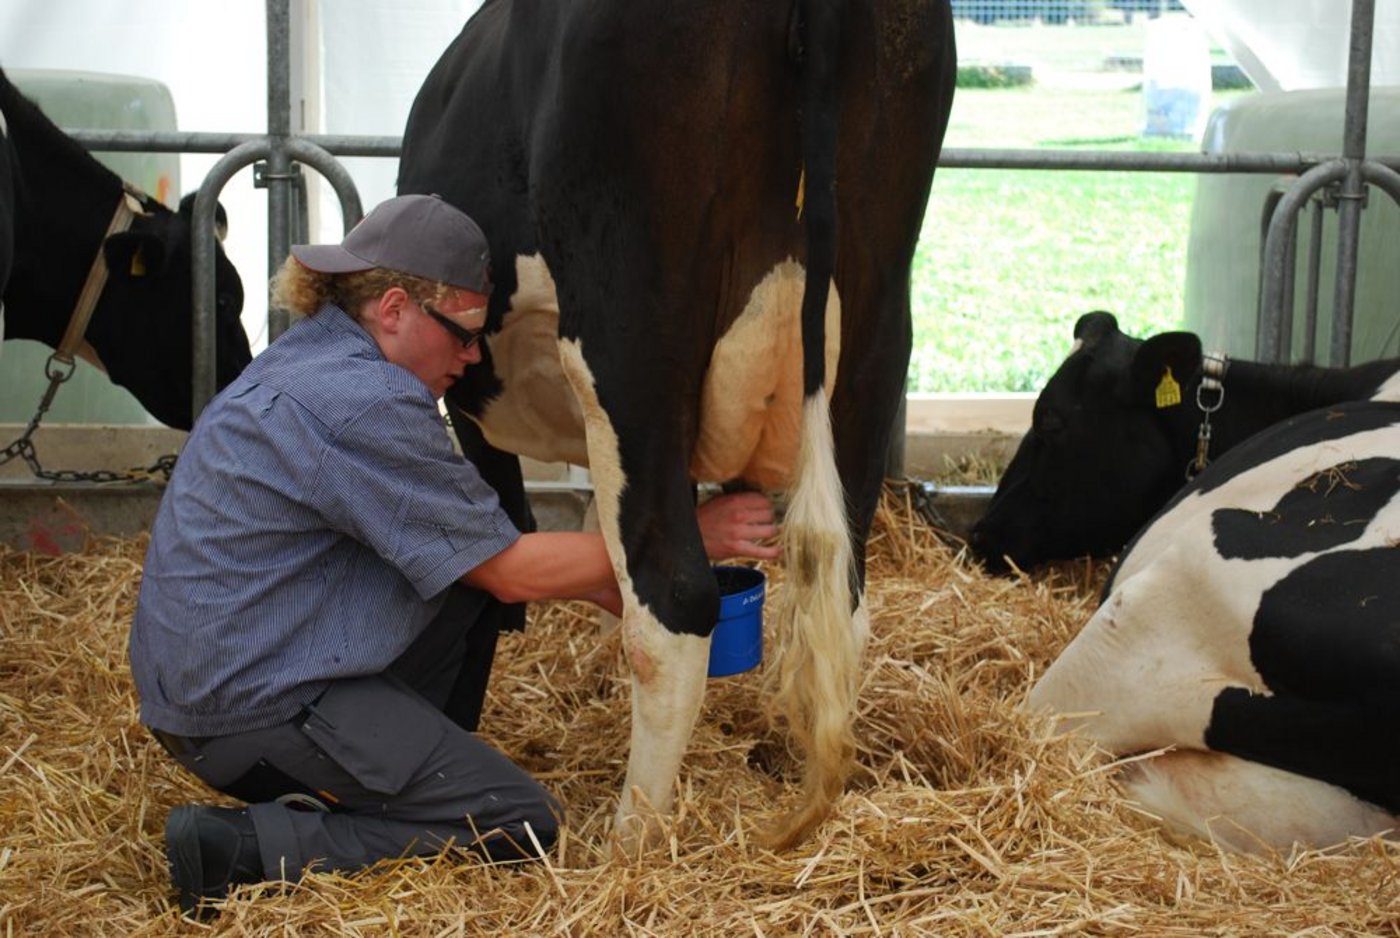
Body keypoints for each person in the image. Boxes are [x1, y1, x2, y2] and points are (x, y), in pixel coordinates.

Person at [128, 193, 781, 918]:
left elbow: (473, 552)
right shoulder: (363, 402)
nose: (472, 358)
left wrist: (609, 582)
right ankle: (240, 848)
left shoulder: (316, 357)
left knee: (468, 583)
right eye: (464, 333)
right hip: (247, 708)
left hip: (227, 669)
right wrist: (687, 539)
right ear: (397, 309)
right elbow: (504, 565)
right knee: (513, 821)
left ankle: (405, 763)